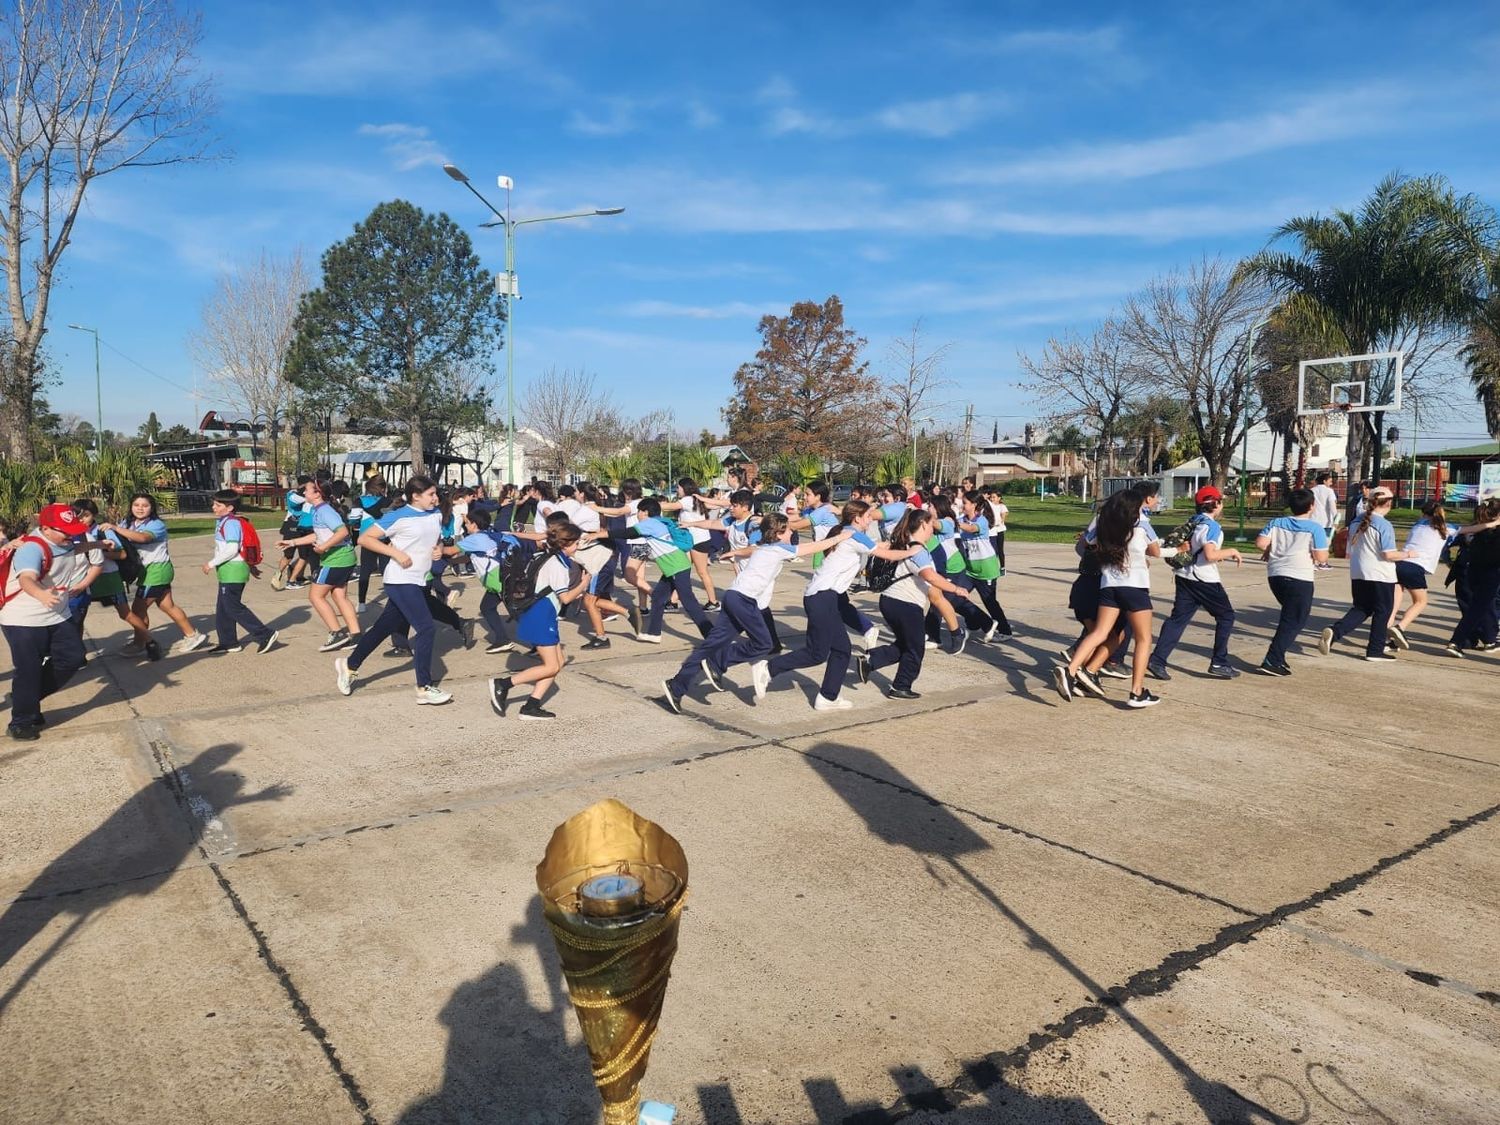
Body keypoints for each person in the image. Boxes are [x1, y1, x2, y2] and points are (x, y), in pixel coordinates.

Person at [660, 513, 840, 713]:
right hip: (743, 601)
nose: (792, 532)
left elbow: (751, 549)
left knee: (709, 646)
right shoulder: (780, 548)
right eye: (789, 529)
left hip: (733, 596)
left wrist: (733, 553)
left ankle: (676, 686)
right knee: (764, 643)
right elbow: (811, 548)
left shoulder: (766, 547)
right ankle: (718, 662)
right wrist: (839, 538)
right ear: (779, 533)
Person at [757, 500, 920, 711]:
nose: (871, 519)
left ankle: (827, 697)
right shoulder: (853, 534)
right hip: (822, 597)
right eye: (868, 516)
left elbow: (881, 546)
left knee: (841, 650)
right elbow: (887, 554)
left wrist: (905, 543)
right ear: (857, 518)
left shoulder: (849, 532)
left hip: (826, 598)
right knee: (817, 653)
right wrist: (915, 551)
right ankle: (769, 668)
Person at [334, 476, 451, 705]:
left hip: (419, 579)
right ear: (415, 496)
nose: (436, 498)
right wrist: (395, 553)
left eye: (435, 493)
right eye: (431, 494)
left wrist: (439, 549)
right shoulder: (398, 516)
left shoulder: (435, 514)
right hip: (399, 579)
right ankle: (424, 688)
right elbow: (365, 539)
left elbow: (436, 540)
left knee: (382, 628)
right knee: (426, 628)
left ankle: (349, 665)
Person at [1055, 489, 1164, 708]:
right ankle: (1137, 692)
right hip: (1134, 587)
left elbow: (1086, 543)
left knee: (1100, 633)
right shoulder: (1141, 524)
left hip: (1108, 585)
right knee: (1144, 639)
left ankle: (1070, 670)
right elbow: (1155, 551)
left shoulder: (1105, 525)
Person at [857, 508, 975, 699]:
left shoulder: (903, 544)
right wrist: (955, 589)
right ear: (922, 525)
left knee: (906, 643)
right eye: (930, 525)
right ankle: (901, 686)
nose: (932, 529)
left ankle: (871, 660)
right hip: (905, 604)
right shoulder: (918, 550)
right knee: (916, 647)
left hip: (889, 601)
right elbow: (929, 576)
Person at [2, 504, 91, 740]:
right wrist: (41, 594)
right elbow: (27, 579)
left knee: (72, 658)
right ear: (45, 528)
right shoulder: (31, 548)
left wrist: (98, 544)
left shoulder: (65, 542)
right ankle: (21, 721)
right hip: (23, 618)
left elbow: (74, 548)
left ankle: (27, 700)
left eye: (72, 529)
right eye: (64, 530)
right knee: (28, 670)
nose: (70, 534)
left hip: (57, 614)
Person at [488, 521, 588, 721]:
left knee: (557, 663)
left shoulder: (547, 556)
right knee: (551, 666)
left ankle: (531, 706)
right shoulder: (558, 565)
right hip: (541, 616)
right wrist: (584, 584)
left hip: (541, 613)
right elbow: (566, 598)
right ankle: (503, 684)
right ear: (565, 544)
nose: (578, 547)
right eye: (576, 543)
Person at [1146, 486, 1243, 680]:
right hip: (1204, 579)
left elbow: (1200, 550)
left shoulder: (1194, 521)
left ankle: (1157, 660)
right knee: (1226, 617)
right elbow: (1209, 554)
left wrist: (1217, 555)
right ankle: (1219, 662)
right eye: (1220, 501)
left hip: (1184, 575)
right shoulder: (1212, 526)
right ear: (1215, 504)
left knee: (1177, 620)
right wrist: (1231, 551)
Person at [105, 492, 208, 658]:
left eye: (145, 506)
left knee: (138, 609)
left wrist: (116, 528)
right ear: (131, 506)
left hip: (157, 570)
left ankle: (140, 643)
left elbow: (143, 538)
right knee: (167, 606)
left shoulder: (156, 524)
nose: (140, 509)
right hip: (148, 571)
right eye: (136, 505)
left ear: (152, 508)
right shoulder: (128, 523)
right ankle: (193, 635)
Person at [1318, 487, 1408, 662]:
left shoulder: (1356, 521)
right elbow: (1388, 554)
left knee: (1362, 608)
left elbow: (1350, 550)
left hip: (1359, 572)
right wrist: (1407, 554)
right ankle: (1375, 650)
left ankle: (1336, 632)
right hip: (1380, 574)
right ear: (1389, 503)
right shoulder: (1383, 524)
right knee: (1383, 611)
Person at [276, 478, 360, 652]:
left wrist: (324, 547)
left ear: (317, 493)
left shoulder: (324, 511)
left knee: (315, 596)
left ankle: (337, 633)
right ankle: (356, 635)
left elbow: (343, 532)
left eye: (306, 490)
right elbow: (319, 535)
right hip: (343, 557)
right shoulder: (318, 510)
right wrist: (292, 542)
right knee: (339, 596)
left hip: (336, 559)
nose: (303, 493)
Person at [1254, 488, 1329, 675]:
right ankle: (1273, 659)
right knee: (1294, 620)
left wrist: (1273, 546)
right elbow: (1321, 556)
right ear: (1311, 506)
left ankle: (1278, 657)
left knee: (1290, 616)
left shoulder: (1276, 522)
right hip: (1300, 576)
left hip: (1276, 575)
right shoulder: (1314, 528)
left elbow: (1260, 543)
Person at [202, 489, 278, 654]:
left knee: (232, 606)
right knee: (223, 607)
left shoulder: (230, 523)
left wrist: (211, 563)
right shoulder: (224, 521)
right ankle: (228, 642)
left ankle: (265, 634)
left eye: (218, 504)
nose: (213, 507)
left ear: (229, 508)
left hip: (233, 571)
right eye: (214, 503)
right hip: (229, 571)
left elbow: (231, 548)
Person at [1386, 501, 1451, 651]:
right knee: (1421, 601)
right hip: (1414, 567)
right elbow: (1470, 529)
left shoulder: (1417, 525)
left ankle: (1386, 639)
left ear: (1423, 513)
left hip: (1399, 563)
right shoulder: (1446, 528)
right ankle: (1400, 627)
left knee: (1393, 605)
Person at [1442, 499, 1500, 657]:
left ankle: (1483, 638)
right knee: (1478, 609)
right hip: (1490, 574)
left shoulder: (1477, 528)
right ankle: (1458, 642)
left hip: (1473, 572)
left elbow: (1461, 534)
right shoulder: (1493, 531)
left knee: (1479, 608)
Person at [1310, 472, 1339, 570]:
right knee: (1325, 542)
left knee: (1313, 541)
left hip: (1313, 520)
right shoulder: (1329, 491)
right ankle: (1323, 563)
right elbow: (1332, 506)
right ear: (1324, 481)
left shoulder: (1311, 490)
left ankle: (1313, 562)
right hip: (1326, 521)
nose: (1331, 483)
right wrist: (1336, 518)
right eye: (1330, 481)